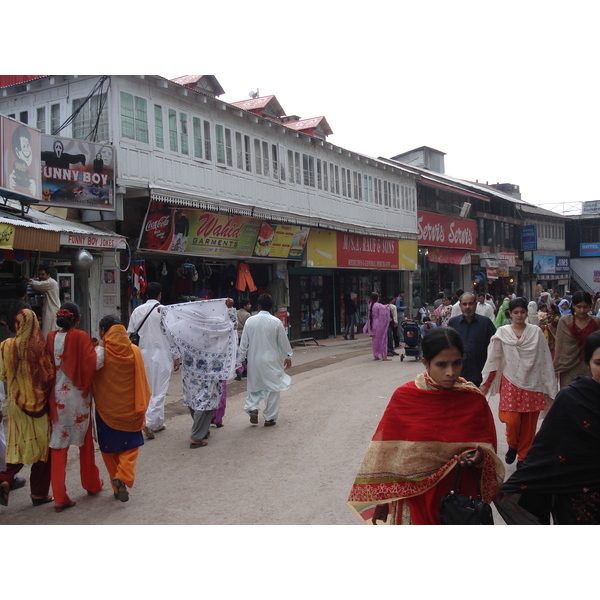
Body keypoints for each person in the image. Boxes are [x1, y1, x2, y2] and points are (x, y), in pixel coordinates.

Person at [347, 327, 505, 525]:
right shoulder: (405, 397)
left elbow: (488, 448)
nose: (451, 372)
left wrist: (479, 457)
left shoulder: (473, 400)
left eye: (456, 363)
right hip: (413, 499)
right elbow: (388, 453)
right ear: (425, 363)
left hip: (457, 499)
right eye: (441, 364)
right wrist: (382, 502)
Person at [497, 331, 600, 524]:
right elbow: (547, 445)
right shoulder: (573, 398)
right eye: (599, 363)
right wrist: (519, 483)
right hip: (577, 498)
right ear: (587, 364)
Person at [480, 297, 558, 468]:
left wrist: (548, 382)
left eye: (523, 312)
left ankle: (523, 457)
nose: (520, 315)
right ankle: (513, 445)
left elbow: (544, 358)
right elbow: (495, 359)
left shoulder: (535, 332)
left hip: (533, 381)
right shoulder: (502, 333)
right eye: (516, 312)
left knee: (529, 422)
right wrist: (487, 383)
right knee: (512, 420)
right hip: (510, 381)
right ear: (510, 314)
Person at [46, 302, 104, 512]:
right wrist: (100, 349)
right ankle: (91, 483)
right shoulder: (79, 336)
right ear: (77, 319)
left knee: (58, 445)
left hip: (57, 397)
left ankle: (59, 496)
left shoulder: (51, 337)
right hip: (78, 397)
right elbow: (93, 363)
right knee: (85, 442)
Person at [161, 298, 238, 445]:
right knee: (206, 401)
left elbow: (167, 330)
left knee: (193, 399)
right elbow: (231, 325)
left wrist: (165, 313)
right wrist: (229, 309)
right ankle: (196, 436)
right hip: (208, 372)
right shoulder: (212, 324)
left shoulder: (183, 325)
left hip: (190, 371)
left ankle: (203, 428)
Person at [0, 305, 55, 508]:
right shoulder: (41, 347)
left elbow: (2, 374)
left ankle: (5, 479)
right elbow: (50, 375)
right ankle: (39, 494)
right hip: (40, 407)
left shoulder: (6, 345)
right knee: (42, 451)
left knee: (18, 445)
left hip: (16, 404)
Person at [93, 315, 151, 502]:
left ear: (103, 331)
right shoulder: (134, 350)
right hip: (130, 410)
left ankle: (116, 486)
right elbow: (142, 379)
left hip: (106, 410)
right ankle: (122, 477)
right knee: (131, 447)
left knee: (109, 449)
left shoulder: (99, 353)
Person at [127, 282, 180, 439]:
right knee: (160, 390)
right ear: (160, 294)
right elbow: (172, 335)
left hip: (142, 353)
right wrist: (176, 356)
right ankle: (149, 422)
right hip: (162, 353)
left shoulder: (137, 311)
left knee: (148, 388)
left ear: (145, 294)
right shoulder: (164, 311)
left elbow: (130, 333)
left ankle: (158, 422)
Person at [239, 293, 292, 427]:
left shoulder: (250, 321)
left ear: (259, 305)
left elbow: (244, 342)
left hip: (254, 358)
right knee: (273, 388)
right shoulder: (276, 322)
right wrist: (288, 356)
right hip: (272, 360)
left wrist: (242, 358)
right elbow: (283, 342)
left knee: (254, 386)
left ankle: (253, 408)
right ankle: (269, 417)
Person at [447, 292, 497, 386]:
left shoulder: (485, 323)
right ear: (460, 305)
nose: (467, 307)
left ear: (476, 304)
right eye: (464, 304)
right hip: (458, 374)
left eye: (470, 303)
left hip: (480, 373)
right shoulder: (453, 323)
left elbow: (495, 347)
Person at [554, 290, 600, 388]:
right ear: (573, 306)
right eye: (579, 307)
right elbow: (560, 346)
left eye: (585, 307)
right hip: (568, 367)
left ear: (590, 306)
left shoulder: (596, 322)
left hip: (589, 366)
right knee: (569, 396)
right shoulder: (565, 321)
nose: (582, 310)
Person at [24, 268, 60, 339]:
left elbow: (37, 285)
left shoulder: (51, 282)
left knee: (48, 334)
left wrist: (28, 279)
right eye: (39, 274)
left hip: (51, 311)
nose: (40, 276)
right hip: (48, 310)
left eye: (43, 274)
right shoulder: (48, 282)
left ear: (48, 275)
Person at [362, 292, 391, 361]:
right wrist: (387, 306)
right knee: (383, 340)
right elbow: (384, 312)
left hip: (373, 324)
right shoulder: (379, 305)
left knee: (375, 340)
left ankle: (376, 355)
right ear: (377, 298)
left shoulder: (370, 305)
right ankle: (384, 356)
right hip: (379, 324)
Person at [235, 298, 252, 379]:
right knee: (245, 354)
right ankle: (245, 371)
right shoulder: (247, 315)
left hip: (236, 335)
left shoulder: (236, 313)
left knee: (238, 354)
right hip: (244, 335)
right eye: (248, 304)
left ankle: (239, 373)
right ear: (245, 306)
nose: (250, 306)